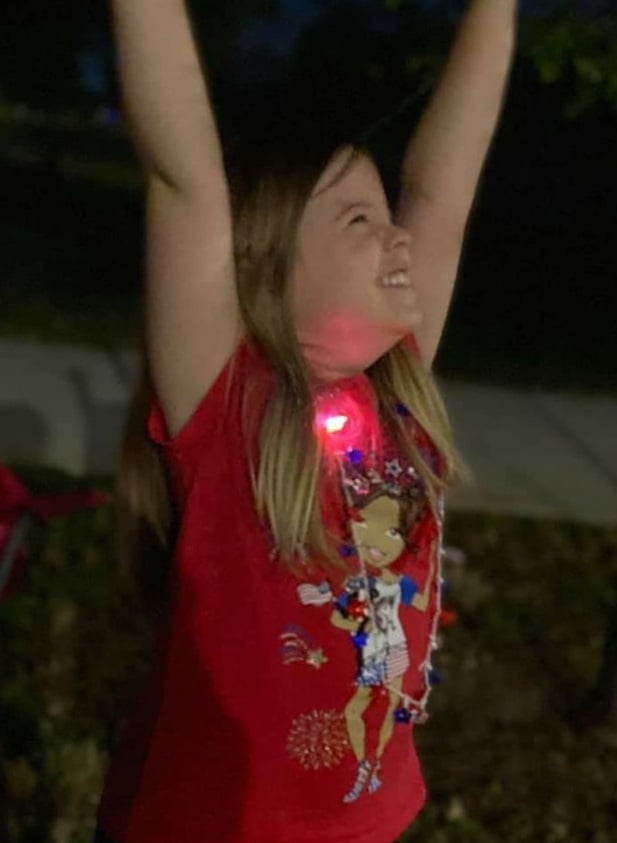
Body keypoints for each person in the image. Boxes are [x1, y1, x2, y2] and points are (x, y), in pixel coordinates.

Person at [95, 1, 517, 841]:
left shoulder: (397, 400)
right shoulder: (231, 411)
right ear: (266, 267)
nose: (401, 236)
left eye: (386, 213)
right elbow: (184, 178)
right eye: (361, 219)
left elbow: (442, 191)